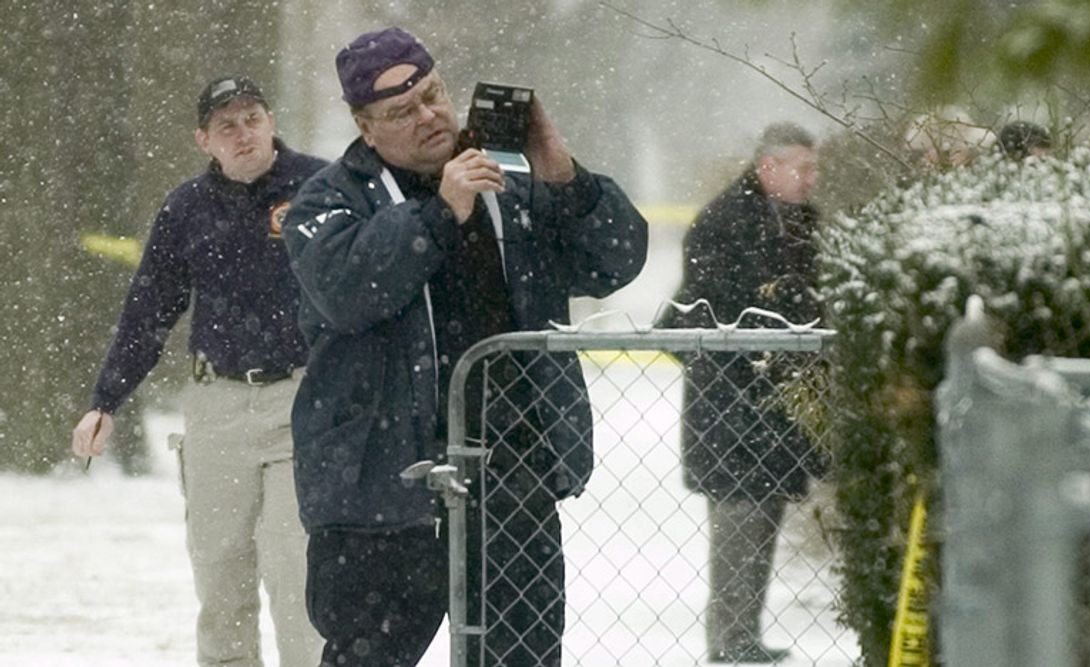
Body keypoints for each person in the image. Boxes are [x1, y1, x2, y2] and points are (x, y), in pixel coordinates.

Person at [282, 27, 648, 667]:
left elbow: (614, 261)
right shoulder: (328, 199)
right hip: (381, 491)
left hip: (511, 480)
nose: (428, 117)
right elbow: (346, 291)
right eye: (401, 112)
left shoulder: (508, 184)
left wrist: (563, 175)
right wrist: (438, 212)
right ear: (366, 130)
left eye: (432, 96)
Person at [71, 75, 326, 667]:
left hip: (302, 402)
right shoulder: (186, 208)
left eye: (253, 118)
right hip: (218, 407)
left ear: (271, 122)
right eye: (227, 126)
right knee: (219, 574)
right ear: (204, 140)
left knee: (297, 573)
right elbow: (147, 311)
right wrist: (105, 399)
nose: (244, 134)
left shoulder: (317, 186)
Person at [660, 122, 827, 664]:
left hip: (772, 404)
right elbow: (721, 308)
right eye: (801, 167)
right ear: (767, 167)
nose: (811, 178)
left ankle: (743, 637)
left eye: (812, 167)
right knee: (737, 527)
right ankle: (730, 641)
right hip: (733, 405)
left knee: (762, 524)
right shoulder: (726, 223)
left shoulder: (796, 222)